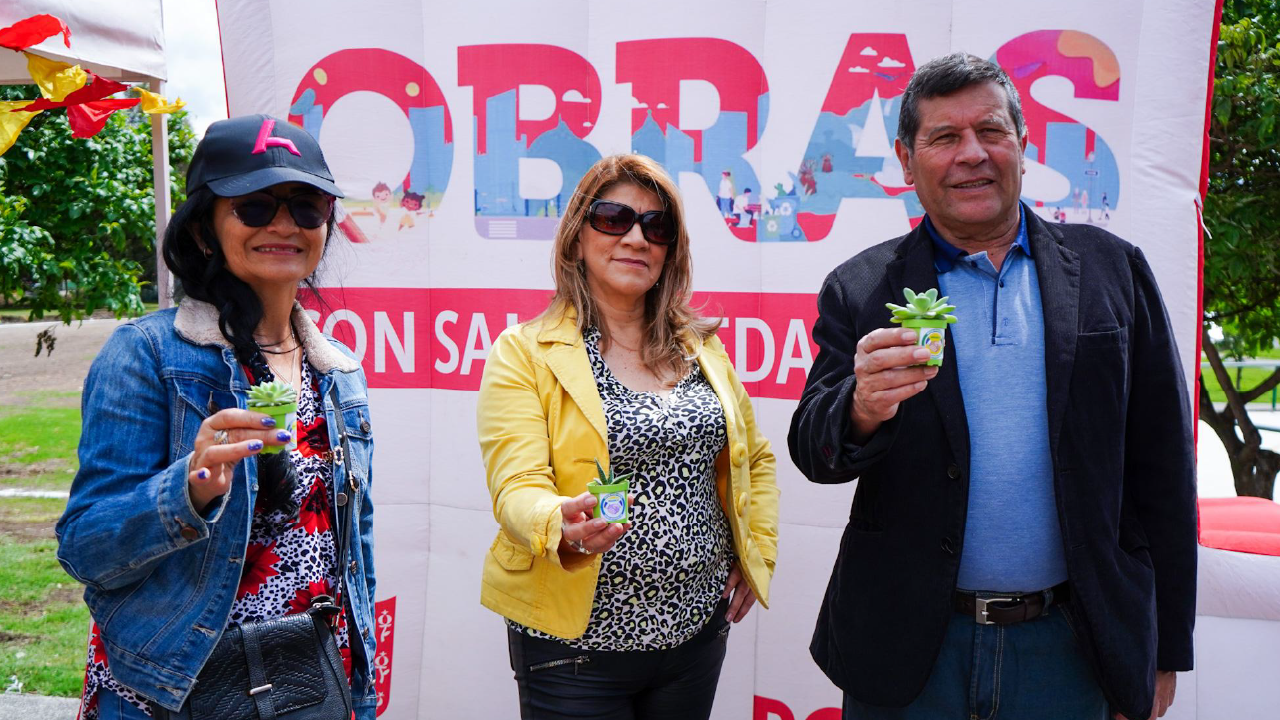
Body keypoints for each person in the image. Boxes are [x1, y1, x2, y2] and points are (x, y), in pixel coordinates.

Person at [788, 53, 1196, 720]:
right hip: (908, 653)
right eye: (945, 137)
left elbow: (1164, 470)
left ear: (1023, 146)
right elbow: (813, 449)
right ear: (906, 160)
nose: (972, 154)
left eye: (991, 131)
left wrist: (1164, 646)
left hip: (1071, 648)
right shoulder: (862, 287)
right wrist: (860, 407)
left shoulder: (1112, 270)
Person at [56, 114, 379, 720]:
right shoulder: (147, 354)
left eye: (306, 206)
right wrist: (188, 490)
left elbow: (354, 554)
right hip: (167, 691)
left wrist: (360, 688)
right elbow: (86, 548)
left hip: (307, 687)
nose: (283, 224)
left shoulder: (339, 372)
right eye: (254, 206)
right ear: (205, 230)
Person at [477, 154, 779, 719]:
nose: (637, 238)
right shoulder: (523, 353)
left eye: (657, 226)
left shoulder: (701, 348)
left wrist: (754, 549)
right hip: (575, 652)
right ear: (577, 237)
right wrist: (559, 522)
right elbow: (516, 485)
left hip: (695, 635)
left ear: (670, 252)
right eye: (614, 218)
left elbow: (754, 458)